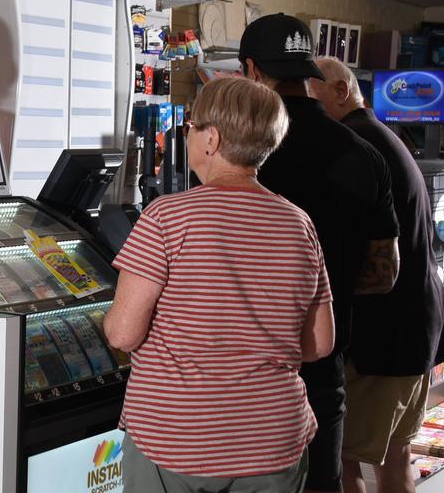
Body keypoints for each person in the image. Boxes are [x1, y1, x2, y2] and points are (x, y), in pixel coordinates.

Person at [104, 76, 334, 492]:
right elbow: (319, 342)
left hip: (177, 436)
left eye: (190, 126)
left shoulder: (166, 218)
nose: (188, 134)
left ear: (211, 138)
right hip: (272, 439)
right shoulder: (299, 224)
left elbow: (123, 333)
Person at [241, 13, 400, 493]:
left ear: (251, 71)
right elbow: (384, 272)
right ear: (308, 72)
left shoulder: (238, 155)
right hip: (324, 366)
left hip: (245, 376)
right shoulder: (364, 154)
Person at [311, 57, 444, 493]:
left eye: (313, 100)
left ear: (341, 92)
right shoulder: (384, 138)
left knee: (345, 459)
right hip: (416, 327)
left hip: (385, 335)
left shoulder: (356, 147)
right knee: (395, 458)